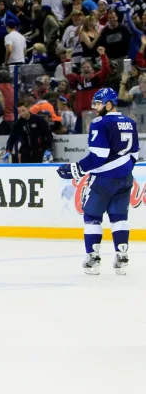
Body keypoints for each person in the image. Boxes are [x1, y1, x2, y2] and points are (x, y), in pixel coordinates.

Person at [57, 88, 138, 275]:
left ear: (109, 104)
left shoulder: (99, 123)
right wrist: (123, 169)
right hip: (125, 179)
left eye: (99, 103)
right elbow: (134, 154)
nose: (95, 107)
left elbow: (98, 156)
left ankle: (93, 260)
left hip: (103, 180)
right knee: (120, 218)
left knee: (92, 217)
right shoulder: (129, 122)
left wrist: (74, 169)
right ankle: (122, 258)